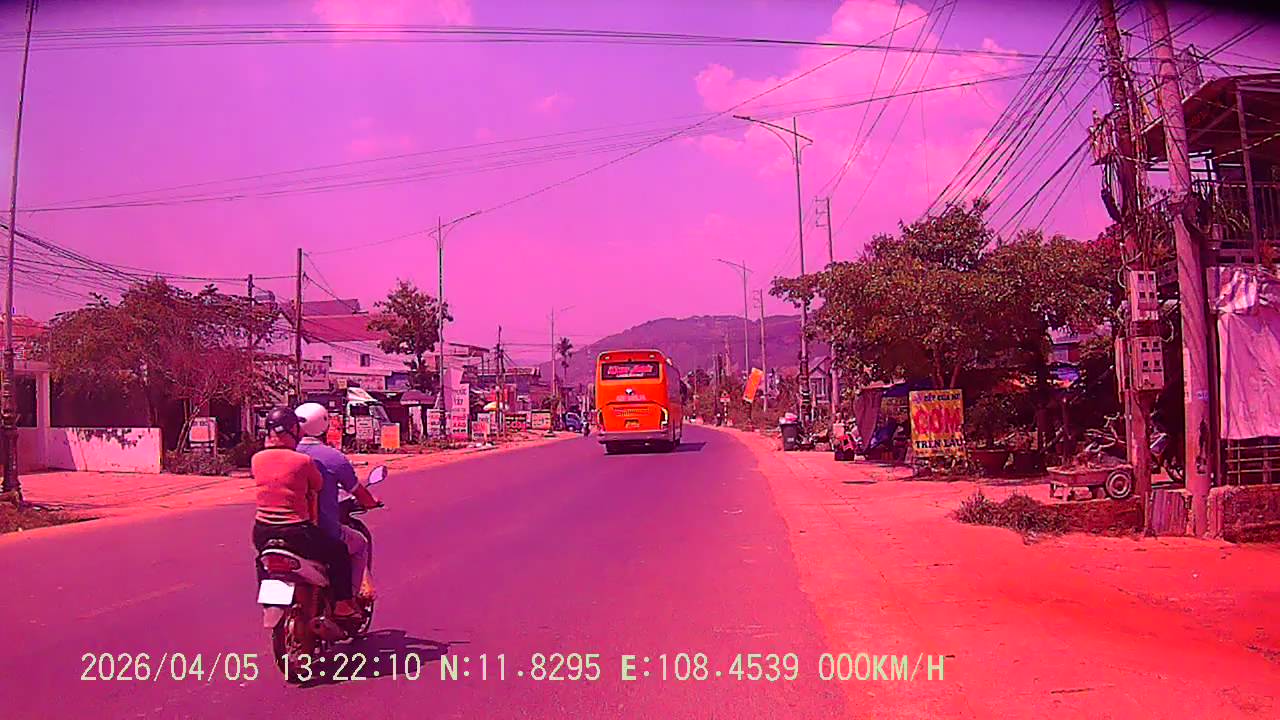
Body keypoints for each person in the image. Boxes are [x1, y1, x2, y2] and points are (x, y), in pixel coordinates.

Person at [251, 406, 360, 621]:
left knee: (262, 561)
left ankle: (269, 601)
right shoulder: (303, 461)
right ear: (293, 430)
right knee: (338, 552)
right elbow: (317, 486)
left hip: (262, 532)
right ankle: (342, 605)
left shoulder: (257, 459)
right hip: (297, 532)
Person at [294, 402, 379, 602]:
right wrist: (371, 502)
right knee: (360, 544)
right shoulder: (333, 458)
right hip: (321, 531)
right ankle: (349, 600)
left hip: (281, 528)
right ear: (324, 425)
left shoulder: (284, 454)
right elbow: (358, 491)